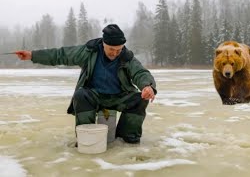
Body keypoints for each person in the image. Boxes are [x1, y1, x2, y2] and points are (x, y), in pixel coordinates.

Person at [15, 24, 157, 144]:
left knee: (139, 99)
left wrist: (147, 86)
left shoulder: (127, 57)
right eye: (111, 49)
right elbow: (61, 55)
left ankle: (126, 141)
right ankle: (86, 139)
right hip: (94, 96)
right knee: (80, 95)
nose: (115, 53)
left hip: (119, 97)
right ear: (103, 43)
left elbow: (140, 73)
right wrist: (32, 55)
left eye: (118, 50)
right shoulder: (89, 51)